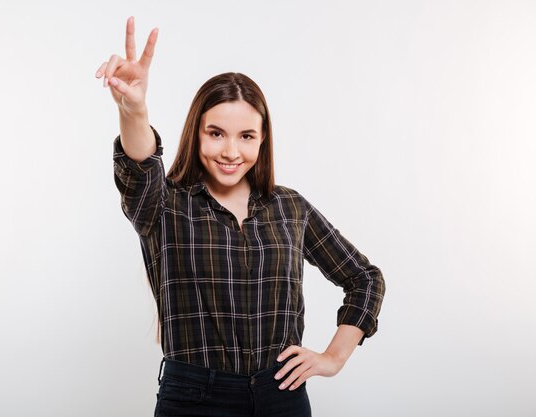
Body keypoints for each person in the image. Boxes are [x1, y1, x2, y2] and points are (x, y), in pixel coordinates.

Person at [95, 16, 385, 417]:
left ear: (262, 139)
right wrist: (134, 109)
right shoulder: (164, 205)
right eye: (216, 133)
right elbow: (140, 161)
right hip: (193, 398)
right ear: (196, 133)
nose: (231, 151)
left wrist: (333, 358)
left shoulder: (290, 208)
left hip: (281, 396)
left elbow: (364, 278)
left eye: (246, 136)